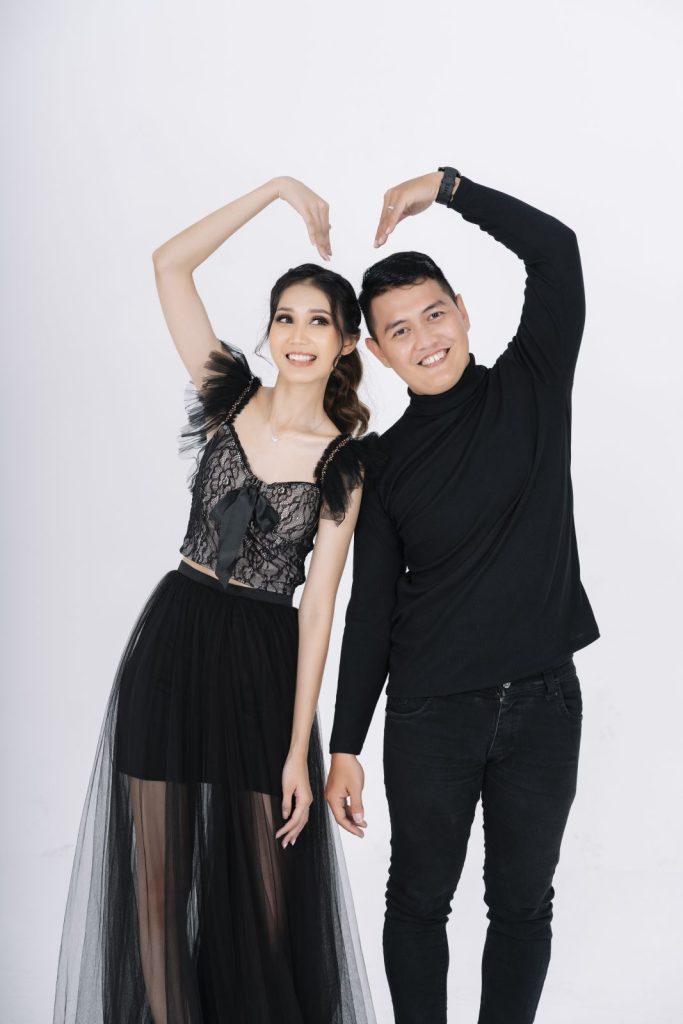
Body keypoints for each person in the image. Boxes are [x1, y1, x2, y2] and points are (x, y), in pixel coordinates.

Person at [52, 176, 381, 1024]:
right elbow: (170, 265)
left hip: (262, 663)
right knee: (157, 892)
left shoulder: (345, 461)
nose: (297, 336)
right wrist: (274, 192)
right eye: (285, 318)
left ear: (347, 343)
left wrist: (297, 750)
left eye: (318, 322)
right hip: (175, 637)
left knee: (267, 902)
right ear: (269, 331)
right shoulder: (228, 395)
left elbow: (320, 607)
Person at [325, 166, 600, 1024]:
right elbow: (370, 610)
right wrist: (344, 744)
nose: (424, 338)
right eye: (398, 330)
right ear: (376, 352)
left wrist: (449, 189)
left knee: (522, 905)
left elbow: (555, 252)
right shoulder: (380, 464)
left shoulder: (533, 382)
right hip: (430, 715)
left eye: (434, 314)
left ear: (463, 312)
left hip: (543, 706)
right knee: (418, 901)